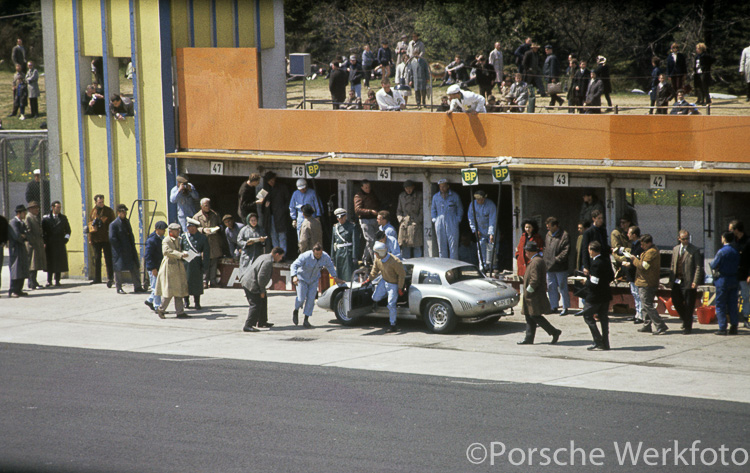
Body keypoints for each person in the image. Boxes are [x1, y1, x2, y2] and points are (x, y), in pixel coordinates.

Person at [518, 241, 562, 345]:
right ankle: (529, 338)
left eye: (526, 251)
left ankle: (554, 332)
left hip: (534, 295)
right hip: (532, 295)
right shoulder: (536, 260)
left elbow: (534, 280)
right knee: (529, 316)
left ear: (529, 252)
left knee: (535, 316)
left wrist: (528, 291)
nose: (526, 253)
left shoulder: (536, 261)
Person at [290, 243, 344, 328]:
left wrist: (335, 277)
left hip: (314, 280)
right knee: (300, 298)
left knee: (311, 300)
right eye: (317, 254)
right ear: (313, 252)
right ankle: (296, 310)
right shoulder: (305, 256)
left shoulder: (325, 256)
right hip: (302, 279)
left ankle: (306, 320)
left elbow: (330, 266)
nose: (319, 256)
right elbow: (294, 265)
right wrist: (294, 276)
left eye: (320, 254)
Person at [623, 234, 667, 335]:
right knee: (645, 305)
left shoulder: (651, 252)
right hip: (644, 281)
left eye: (643, 245)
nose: (641, 247)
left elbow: (644, 266)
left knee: (647, 305)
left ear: (649, 243)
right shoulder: (648, 251)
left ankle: (660, 325)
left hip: (647, 282)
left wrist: (634, 260)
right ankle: (647, 325)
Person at [240, 246, 285, 332]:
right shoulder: (267, 261)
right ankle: (248, 325)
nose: (281, 258)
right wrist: (262, 290)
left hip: (249, 281)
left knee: (263, 300)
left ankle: (262, 322)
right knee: (255, 304)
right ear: (276, 254)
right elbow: (261, 277)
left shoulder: (264, 256)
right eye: (281, 256)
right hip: (251, 284)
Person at [580, 241, 614, 350]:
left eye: (589, 249)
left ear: (592, 251)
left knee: (587, 316)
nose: (588, 252)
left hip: (595, 296)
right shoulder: (606, 261)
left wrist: (586, 282)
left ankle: (598, 340)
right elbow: (611, 277)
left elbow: (594, 283)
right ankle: (605, 342)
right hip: (605, 294)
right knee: (604, 318)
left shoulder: (595, 263)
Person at [668, 230, 703, 335]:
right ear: (679, 239)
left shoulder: (694, 250)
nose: (686, 240)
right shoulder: (675, 249)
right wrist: (671, 280)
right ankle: (686, 318)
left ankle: (688, 326)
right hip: (677, 280)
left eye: (687, 238)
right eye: (683, 239)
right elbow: (673, 265)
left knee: (689, 304)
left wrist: (695, 281)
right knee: (676, 301)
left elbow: (698, 267)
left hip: (688, 281)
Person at [368, 241, 406, 333]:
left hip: (393, 284)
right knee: (375, 297)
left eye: (376, 253)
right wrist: (368, 279)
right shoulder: (378, 259)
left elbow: (402, 275)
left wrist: (400, 288)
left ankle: (393, 325)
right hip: (384, 281)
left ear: (380, 252)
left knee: (391, 304)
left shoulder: (395, 261)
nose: (375, 254)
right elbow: (374, 270)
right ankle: (388, 297)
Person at [155, 223, 190, 319]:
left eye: (179, 230)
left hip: (178, 267)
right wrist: (180, 254)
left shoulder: (179, 239)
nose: (178, 232)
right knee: (169, 291)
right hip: (169, 267)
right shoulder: (166, 240)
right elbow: (166, 251)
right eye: (176, 230)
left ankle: (180, 312)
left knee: (179, 290)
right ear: (171, 231)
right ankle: (161, 309)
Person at [109, 204, 145, 294]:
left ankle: (137, 286)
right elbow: (112, 238)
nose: (124, 213)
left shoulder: (126, 222)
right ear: (118, 213)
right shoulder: (114, 224)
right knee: (118, 269)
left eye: (125, 212)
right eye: (122, 212)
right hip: (119, 251)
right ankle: (119, 287)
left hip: (129, 249)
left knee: (134, 267)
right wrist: (120, 248)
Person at [711, 232, 741, 335]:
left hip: (723, 280)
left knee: (720, 304)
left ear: (724, 239)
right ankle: (734, 326)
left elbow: (714, 264)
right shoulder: (735, 251)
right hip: (734, 279)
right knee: (733, 304)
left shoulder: (722, 252)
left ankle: (722, 327)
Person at [543, 217, 570, 316]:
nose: (548, 229)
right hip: (549, 266)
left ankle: (565, 307)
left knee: (562, 286)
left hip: (560, 266)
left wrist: (556, 259)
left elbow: (566, 251)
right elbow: (545, 247)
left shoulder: (564, 235)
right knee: (551, 286)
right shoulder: (548, 235)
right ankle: (553, 306)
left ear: (555, 226)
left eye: (549, 226)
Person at [194, 198, 223, 288]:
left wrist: (218, 228)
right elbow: (193, 229)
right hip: (203, 241)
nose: (208, 207)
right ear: (201, 206)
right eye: (206, 205)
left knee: (214, 261)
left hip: (214, 241)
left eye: (209, 205)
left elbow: (220, 224)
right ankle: (204, 281)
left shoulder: (215, 214)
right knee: (204, 261)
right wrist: (202, 230)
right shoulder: (196, 217)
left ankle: (213, 281)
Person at [431, 178, 463, 259]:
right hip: (439, 220)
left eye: (444, 186)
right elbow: (433, 209)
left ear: (448, 186)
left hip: (452, 220)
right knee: (441, 245)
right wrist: (434, 219)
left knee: (453, 245)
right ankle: (444, 267)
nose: (442, 188)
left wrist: (458, 219)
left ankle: (453, 268)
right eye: (440, 187)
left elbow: (460, 208)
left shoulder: (454, 196)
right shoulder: (435, 197)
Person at [181, 217, 209, 310]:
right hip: (186, 263)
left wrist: (205, 265)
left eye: (192, 227)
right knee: (185, 283)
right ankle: (186, 301)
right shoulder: (184, 237)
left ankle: (197, 302)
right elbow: (180, 249)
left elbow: (206, 252)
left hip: (196, 263)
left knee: (197, 283)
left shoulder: (202, 237)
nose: (190, 229)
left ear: (196, 227)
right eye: (188, 227)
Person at [88, 194, 115, 287]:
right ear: (95, 202)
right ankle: (97, 278)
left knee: (108, 258)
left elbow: (113, 224)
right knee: (97, 258)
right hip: (96, 238)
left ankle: (110, 277)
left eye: (102, 201)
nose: (101, 203)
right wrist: (90, 239)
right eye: (99, 202)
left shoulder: (108, 211)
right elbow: (90, 225)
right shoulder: (93, 212)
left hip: (106, 238)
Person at [42, 201, 71, 287]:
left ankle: (57, 280)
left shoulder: (63, 218)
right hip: (50, 244)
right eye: (57, 207)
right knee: (50, 262)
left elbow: (68, 231)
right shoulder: (46, 219)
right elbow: (43, 232)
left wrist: (66, 239)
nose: (59, 209)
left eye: (60, 207)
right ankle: (49, 280)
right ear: (53, 207)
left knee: (59, 262)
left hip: (59, 243)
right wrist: (44, 242)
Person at [261, 171, 290, 254]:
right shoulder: (265, 189)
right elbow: (259, 200)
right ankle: (276, 254)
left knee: (282, 235)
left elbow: (288, 201)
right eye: (270, 181)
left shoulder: (282, 187)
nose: (272, 182)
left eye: (273, 180)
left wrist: (283, 210)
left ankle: (282, 254)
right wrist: (265, 206)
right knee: (273, 235)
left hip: (280, 215)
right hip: (270, 216)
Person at [468, 190, 497, 271]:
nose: (479, 201)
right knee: (480, 247)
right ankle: (483, 267)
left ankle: (492, 266)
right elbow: (471, 218)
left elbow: (493, 219)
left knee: (492, 247)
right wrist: (475, 230)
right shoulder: (472, 205)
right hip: (480, 229)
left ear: (484, 198)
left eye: (481, 199)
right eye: (477, 199)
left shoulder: (491, 205)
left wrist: (491, 233)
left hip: (490, 228)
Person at [354, 179, 380, 265]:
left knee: (373, 240)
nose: (368, 189)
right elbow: (357, 210)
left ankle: (364, 259)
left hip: (374, 219)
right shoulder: (358, 196)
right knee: (371, 240)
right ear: (362, 187)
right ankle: (375, 261)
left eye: (369, 187)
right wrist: (370, 211)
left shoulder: (372, 193)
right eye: (366, 187)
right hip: (365, 220)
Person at [144, 221, 167, 311]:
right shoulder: (152, 240)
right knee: (156, 288)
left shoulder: (162, 238)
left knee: (158, 287)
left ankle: (150, 300)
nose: (164, 231)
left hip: (159, 266)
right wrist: (152, 268)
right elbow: (148, 256)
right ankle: (157, 306)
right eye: (162, 230)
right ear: (157, 230)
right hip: (154, 267)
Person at [397, 180, 423, 259]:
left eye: (410, 188)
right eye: (406, 188)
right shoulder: (401, 196)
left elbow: (422, 209)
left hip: (415, 223)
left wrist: (418, 220)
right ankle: (406, 268)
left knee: (417, 246)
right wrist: (401, 219)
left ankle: (418, 265)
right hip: (404, 224)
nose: (408, 190)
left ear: (413, 187)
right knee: (405, 247)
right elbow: (398, 210)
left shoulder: (419, 196)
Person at [8, 205, 30, 298]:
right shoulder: (13, 222)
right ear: (19, 213)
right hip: (15, 249)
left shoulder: (22, 223)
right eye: (24, 212)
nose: (25, 214)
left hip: (21, 248)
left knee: (22, 269)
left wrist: (24, 235)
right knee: (15, 269)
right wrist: (23, 236)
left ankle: (19, 289)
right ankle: (13, 290)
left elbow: (27, 234)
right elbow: (17, 236)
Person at [732, 221, 750, 328]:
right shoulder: (733, 241)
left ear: (737, 230)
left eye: (732, 229)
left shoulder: (747, 241)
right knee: (733, 296)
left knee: (745, 296)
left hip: (744, 274)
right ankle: (734, 318)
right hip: (733, 274)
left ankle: (746, 317)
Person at [331, 208, 356, 282]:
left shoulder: (351, 226)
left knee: (347, 274)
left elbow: (354, 242)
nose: (340, 220)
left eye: (342, 217)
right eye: (338, 218)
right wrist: (332, 257)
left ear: (345, 216)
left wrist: (354, 256)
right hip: (338, 253)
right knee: (339, 274)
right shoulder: (335, 227)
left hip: (347, 252)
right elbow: (333, 243)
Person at [24, 201, 45, 290]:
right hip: (32, 244)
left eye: (37, 208)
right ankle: (31, 282)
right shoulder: (28, 217)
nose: (37, 209)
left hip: (36, 243)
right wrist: (32, 241)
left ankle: (34, 281)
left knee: (35, 263)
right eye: (35, 208)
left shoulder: (35, 217)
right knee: (32, 264)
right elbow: (28, 231)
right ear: (30, 209)